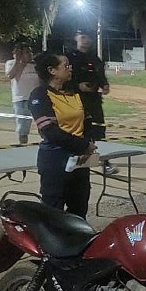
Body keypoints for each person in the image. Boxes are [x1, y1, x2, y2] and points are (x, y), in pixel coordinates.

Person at [29, 53, 96, 218]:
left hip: (80, 160)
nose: (70, 68)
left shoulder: (75, 93)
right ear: (52, 70)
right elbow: (50, 132)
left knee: (79, 209)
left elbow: (87, 123)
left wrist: (87, 146)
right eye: (66, 66)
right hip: (55, 160)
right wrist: (83, 146)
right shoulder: (39, 95)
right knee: (53, 213)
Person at [65, 30, 117, 175]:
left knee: (99, 131)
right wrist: (78, 86)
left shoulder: (95, 59)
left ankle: (104, 162)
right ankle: (75, 163)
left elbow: (100, 76)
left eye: (88, 37)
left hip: (94, 101)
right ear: (76, 38)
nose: (86, 40)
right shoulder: (69, 58)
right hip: (75, 101)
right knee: (78, 133)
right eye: (82, 37)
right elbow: (63, 81)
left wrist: (104, 85)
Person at [5, 42, 39, 145]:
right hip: (21, 99)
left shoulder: (35, 65)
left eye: (31, 52)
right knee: (23, 126)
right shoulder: (11, 63)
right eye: (27, 52)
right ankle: (23, 144)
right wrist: (18, 61)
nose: (30, 54)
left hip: (36, 98)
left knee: (43, 123)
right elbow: (10, 75)